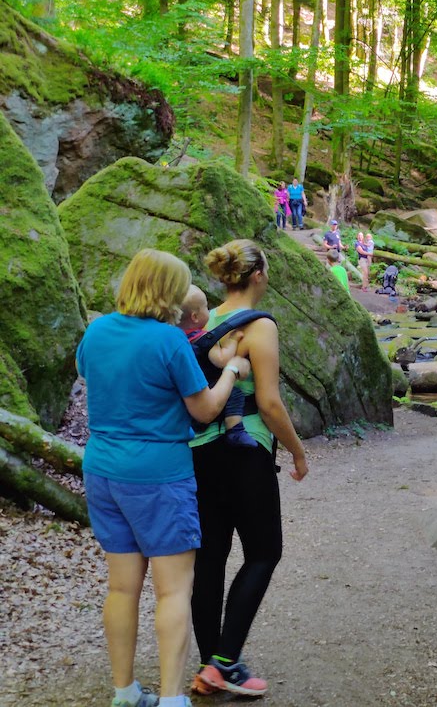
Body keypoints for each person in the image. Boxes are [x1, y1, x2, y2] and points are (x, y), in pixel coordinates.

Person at [77, 249, 250, 707]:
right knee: (174, 589)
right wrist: (233, 370)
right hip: (157, 475)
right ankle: (173, 698)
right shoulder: (169, 341)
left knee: (121, 587)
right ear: (169, 292)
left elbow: (87, 372)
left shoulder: (96, 331)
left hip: (102, 469)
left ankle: (125, 691)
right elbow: (206, 409)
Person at [189, 239, 308, 698]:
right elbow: (271, 403)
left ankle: (209, 665)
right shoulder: (260, 327)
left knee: (210, 560)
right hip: (246, 448)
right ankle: (223, 662)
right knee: (264, 552)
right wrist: (297, 452)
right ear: (258, 274)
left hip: (200, 451)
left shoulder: (206, 322)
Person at [179, 285, 258, 449]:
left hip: (186, 395)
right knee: (234, 394)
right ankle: (235, 430)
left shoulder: (175, 337)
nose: (210, 311)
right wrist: (233, 340)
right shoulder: (202, 339)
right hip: (207, 387)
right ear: (195, 316)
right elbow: (222, 360)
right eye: (206, 307)